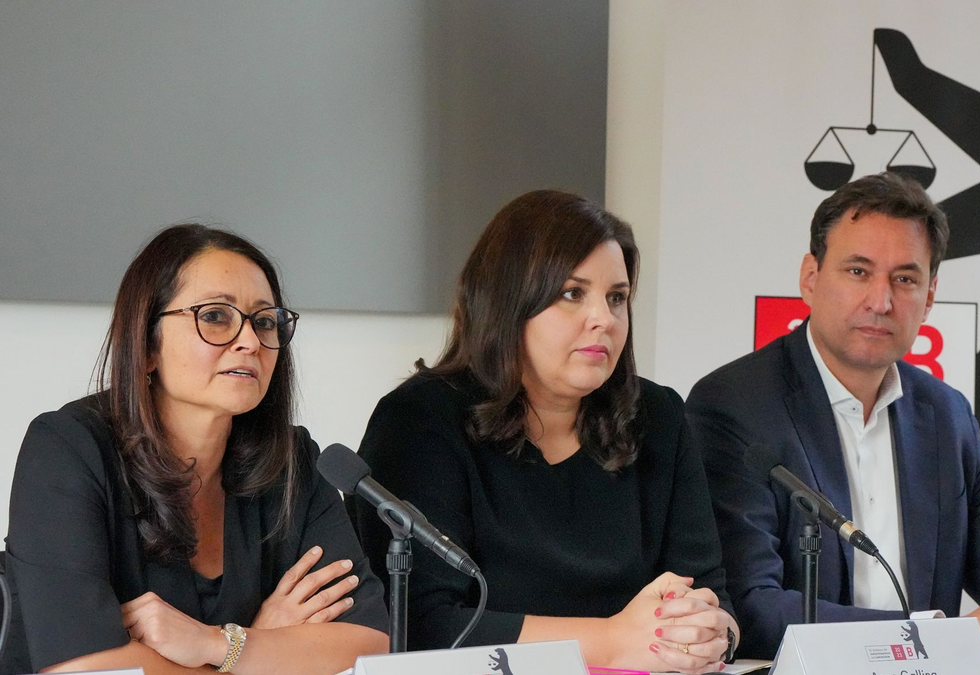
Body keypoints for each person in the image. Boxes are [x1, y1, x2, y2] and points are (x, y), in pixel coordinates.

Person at [687, 172, 980, 660]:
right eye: (858, 271)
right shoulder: (734, 405)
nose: (881, 301)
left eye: (905, 278)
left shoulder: (945, 413)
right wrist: (945, 638)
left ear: (930, 295)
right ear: (810, 277)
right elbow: (749, 608)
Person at [352, 190, 740, 673]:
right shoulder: (419, 421)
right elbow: (418, 624)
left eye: (616, 298)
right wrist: (610, 641)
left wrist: (714, 636)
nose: (604, 319)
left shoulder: (657, 415)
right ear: (507, 303)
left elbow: (710, 593)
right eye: (572, 294)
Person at [5, 224, 389, 674]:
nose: (250, 341)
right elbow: (84, 669)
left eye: (265, 321)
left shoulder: (292, 460)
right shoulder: (67, 451)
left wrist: (216, 645)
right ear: (147, 345)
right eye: (215, 316)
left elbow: (367, 645)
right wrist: (259, 650)